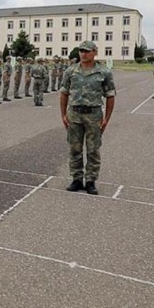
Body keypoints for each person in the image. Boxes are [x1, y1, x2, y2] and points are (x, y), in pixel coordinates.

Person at [59, 41, 116, 195]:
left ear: (95, 52)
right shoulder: (70, 71)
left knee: (93, 150)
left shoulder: (104, 72)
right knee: (74, 148)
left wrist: (106, 119)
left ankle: (90, 181)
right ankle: (76, 179)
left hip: (93, 115)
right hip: (74, 114)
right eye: (81, 51)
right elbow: (64, 93)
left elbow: (110, 96)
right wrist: (63, 114)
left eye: (87, 51)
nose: (83, 54)